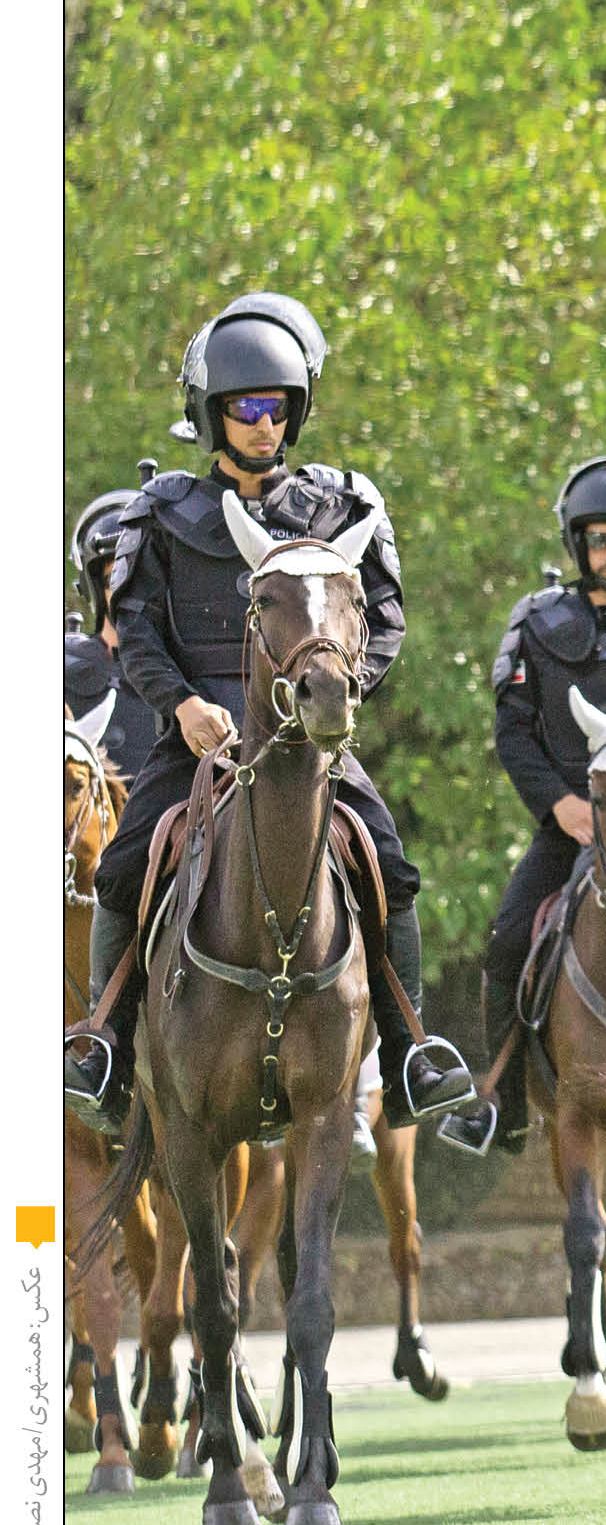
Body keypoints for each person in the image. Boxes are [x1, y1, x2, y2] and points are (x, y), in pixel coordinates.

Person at [64, 293, 479, 1133]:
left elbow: (386, 618)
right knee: (122, 865)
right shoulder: (161, 513)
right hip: (199, 740)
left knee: (390, 866)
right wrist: (179, 705)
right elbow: (137, 630)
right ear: (211, 415)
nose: (263, 423)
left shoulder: (340, 506)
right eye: (245, 408)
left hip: (307, 740)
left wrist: (335, 691)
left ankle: (406, 1053)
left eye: (277, 407)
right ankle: (104, 1048)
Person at [456, 456, 606, 1153]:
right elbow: (513, 732)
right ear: (577, 544)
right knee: (504, 941)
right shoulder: (536, 622)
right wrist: (559, 805)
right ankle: (502, 1103)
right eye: (597, 540)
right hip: (572, 826)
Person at [67, 483, 160, 781]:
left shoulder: (193, 674)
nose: (125, 591)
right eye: (113, 579)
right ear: (95, 586)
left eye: (139, 577)